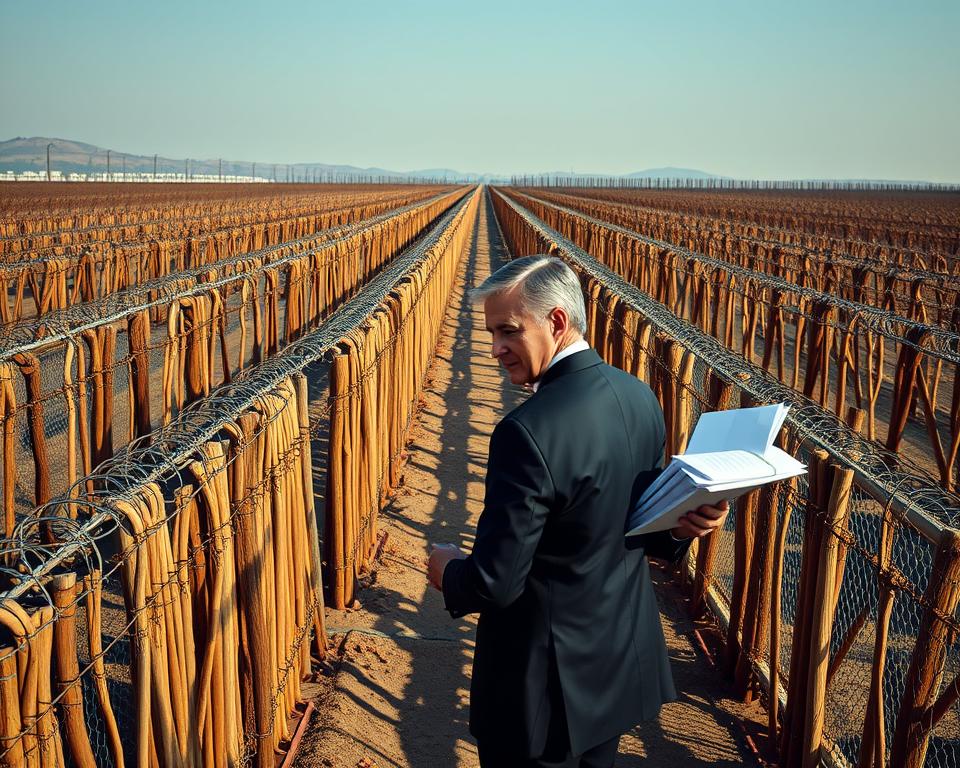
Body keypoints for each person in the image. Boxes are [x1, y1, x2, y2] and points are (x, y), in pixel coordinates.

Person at [427, 254, 730, 767]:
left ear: (557, 322)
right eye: (492, 333)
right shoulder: (639, 397)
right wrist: (680, 529)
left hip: (541, 691)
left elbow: (498, 583)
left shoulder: (526, 432)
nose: (496, 348)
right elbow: (636, 528)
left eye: (507, 331)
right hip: (611, 671)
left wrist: (450, 572)